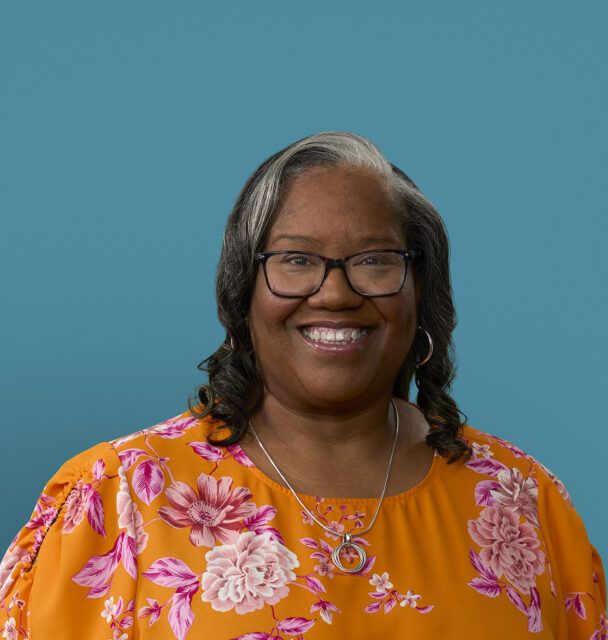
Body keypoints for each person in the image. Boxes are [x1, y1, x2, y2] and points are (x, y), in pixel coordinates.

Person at [0, 132, 605, 640]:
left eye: (374, 259)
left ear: (420, 291)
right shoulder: (118, 500)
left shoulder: (522, 501)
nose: (336, 294)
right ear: (243, 291)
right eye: (295, 260)